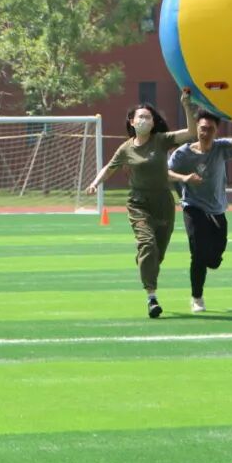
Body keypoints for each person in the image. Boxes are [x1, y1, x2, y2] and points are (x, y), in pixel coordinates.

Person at [86, 89, 196, 318]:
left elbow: (191, 132)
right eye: (141, 117)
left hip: (163, 203)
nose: (144, 120)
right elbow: (110, 167)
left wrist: (186, 105)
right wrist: (95, 183)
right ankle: (151, 297)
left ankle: (145, 261)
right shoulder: (126, 148)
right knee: (147, 244)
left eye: (148, 117)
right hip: (138, 203)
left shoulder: (161, 140)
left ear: (153, 122)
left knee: (157, 254)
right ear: (132, 122)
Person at [167, 111, 232, 313]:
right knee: (198, 253)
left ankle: (208, 263)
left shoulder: (220, 148)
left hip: (217, 209)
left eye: (210, 129)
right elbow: (166, 173)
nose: (205, 133)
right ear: (197, 128)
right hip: (193, 206)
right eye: (203, 128)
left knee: (213, 260)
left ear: (216, 131)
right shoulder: (183, 153)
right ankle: (197, 297)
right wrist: (184, 178)